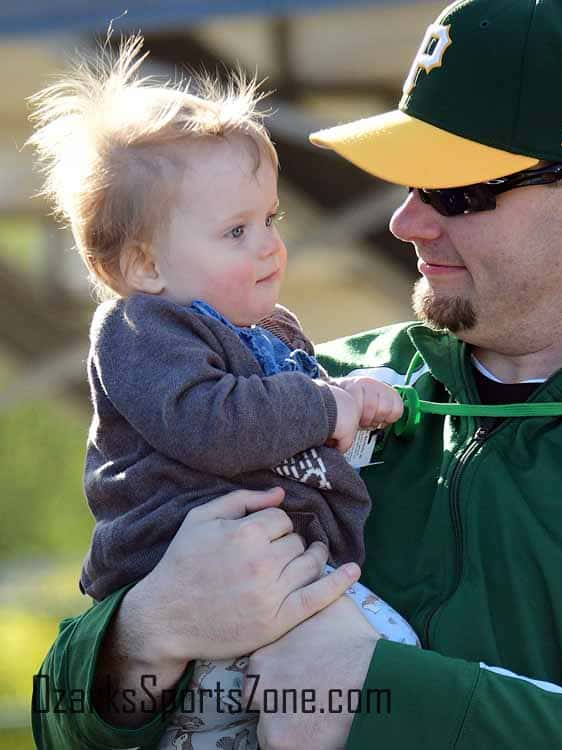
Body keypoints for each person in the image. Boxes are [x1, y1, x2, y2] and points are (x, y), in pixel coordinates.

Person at [31, 0, 562, 747]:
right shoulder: (299, 389)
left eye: (459, 192)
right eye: (408, 182)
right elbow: (55, 720)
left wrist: (382, 699)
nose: (406, 222)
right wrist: (143, 636)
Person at [27, 35, 415, 750]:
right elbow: (213, 424)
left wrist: (355, 414)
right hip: (193, 573)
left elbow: (302, 435)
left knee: (357, 675)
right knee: (374, 665)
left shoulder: (276, 331)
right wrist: (332, 405)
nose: (268, 245)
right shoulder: (145, 328)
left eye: (270, 219)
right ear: (143, 263)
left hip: (280, 574)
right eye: (236, 230)